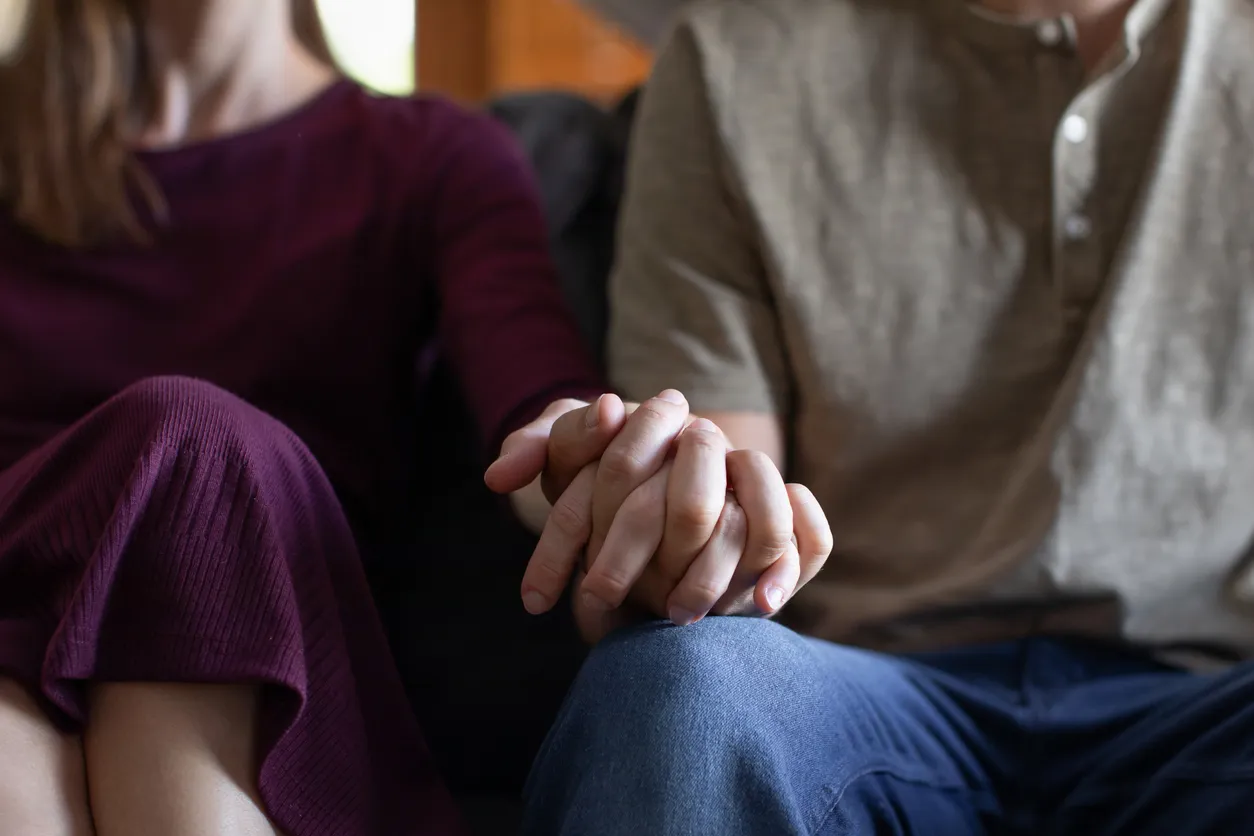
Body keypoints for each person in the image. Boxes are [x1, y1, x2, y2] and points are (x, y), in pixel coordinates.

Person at [0, 1, 834, 834]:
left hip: (265, 682)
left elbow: (540, 414)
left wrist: (621, 477)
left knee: (197, 449)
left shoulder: (427, 155)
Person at [523, 0, 1254, 834]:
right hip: (863, 691)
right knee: (676, 697)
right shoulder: (736, 60)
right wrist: (678, 524)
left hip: (1206, 694)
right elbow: (722, 526)